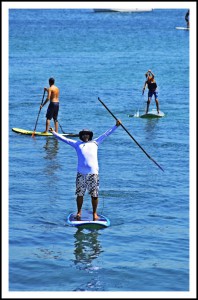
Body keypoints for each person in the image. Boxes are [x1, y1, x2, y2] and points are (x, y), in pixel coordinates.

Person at [49, 120, 121, 221]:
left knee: (94, 195)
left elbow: (106, 134)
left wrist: (116, 126)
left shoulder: (96, 142)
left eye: (87, 134)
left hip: (93, 174)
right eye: (83, 134)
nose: (85, 136)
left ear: (89, 136)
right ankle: (79, 212)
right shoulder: (77, 144)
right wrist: (53, 132)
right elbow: (64, 139)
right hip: (81, 174)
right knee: (79, 194)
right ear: (81, 136)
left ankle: (95, 213)